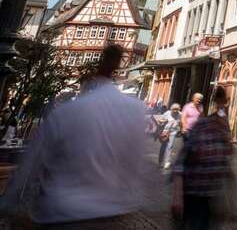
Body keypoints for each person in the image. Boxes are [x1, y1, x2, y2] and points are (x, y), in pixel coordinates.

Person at [0, 45, 154, 225]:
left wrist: (8, 203)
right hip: (111, 212)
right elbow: (138, 164)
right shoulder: (135, 110)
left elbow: (31, 161)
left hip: (63, 210)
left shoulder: (68, 111)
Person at [172, 86, 236, 229]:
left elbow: (225, 165)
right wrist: (177, 197)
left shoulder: (223, 135)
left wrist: (229, 200)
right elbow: (180, 163)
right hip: (192, 195)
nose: (224, 123)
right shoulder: (202, 127)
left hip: (212, 198)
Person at [159, 103, 183, 170]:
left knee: (170, 146)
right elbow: (159, 120)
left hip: (173, 132)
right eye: (174, 109)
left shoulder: (180, 114)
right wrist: (164, 121)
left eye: (177, 109)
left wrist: (181, 130)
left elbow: (181, 123)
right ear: (171, 109)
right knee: (163, 146)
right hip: (165, 132)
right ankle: (160, 161)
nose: (175, 111)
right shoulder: (167, 113)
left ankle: (167, 162)